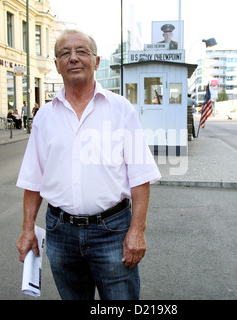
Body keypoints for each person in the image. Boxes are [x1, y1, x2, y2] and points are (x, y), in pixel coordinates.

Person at [16, 29, 161, 300]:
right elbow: (33, 179)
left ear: (96, 61)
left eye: (82, 51)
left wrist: (137, 231)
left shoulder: (121, 110)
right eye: (65, 53)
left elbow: (140, 176)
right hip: (60, 232)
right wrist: (27, 229)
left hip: (113, 231)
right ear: (57, 64)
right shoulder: (45, 117)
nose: (73, 58)